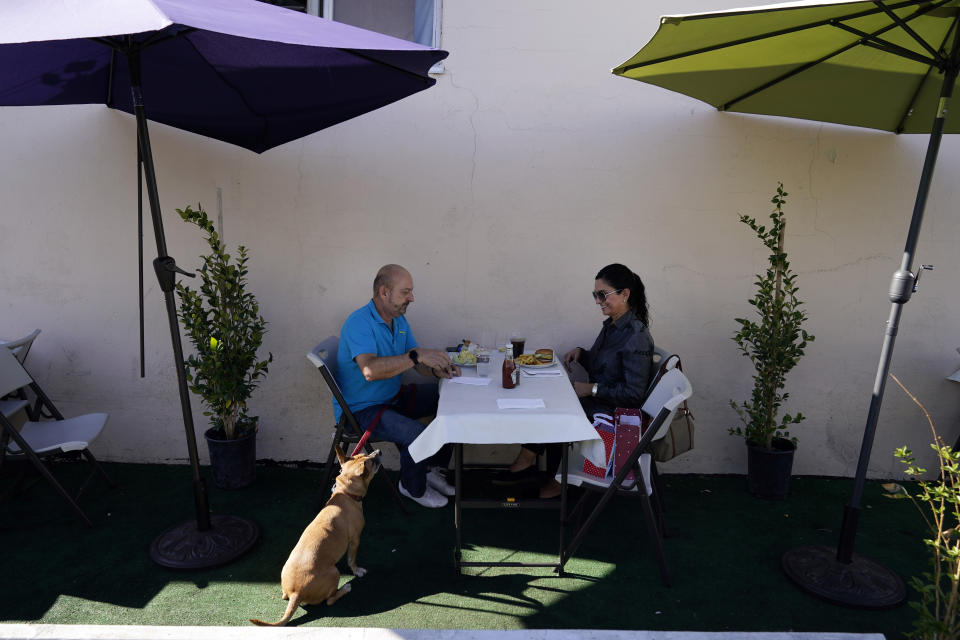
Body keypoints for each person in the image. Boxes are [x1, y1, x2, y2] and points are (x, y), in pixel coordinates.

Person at [503, 263, 654, 498]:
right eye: (595, 294)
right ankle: (533, 464)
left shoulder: (636, 336)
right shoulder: (613, 326)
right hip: (599, 402)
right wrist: (582, 354)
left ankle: (548, 475)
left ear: (625, 294)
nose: (597, 300)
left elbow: (634, 394)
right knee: (553, 402)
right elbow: (606, 365)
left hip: (611, 412)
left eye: (602, 294)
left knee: (558, 409)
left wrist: (591, 389)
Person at [334, 264, 459, 508]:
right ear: (384, 293)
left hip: (391, 397)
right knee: (416, 434)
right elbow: (370, 371)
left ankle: (430, 469)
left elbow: (415, 363)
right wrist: (416, 356)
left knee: (451, 401)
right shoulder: (359, 322)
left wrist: (436, 369)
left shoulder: (398, 320)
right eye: (406, 292)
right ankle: (413, 486)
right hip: (360, 411)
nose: (411, 298)